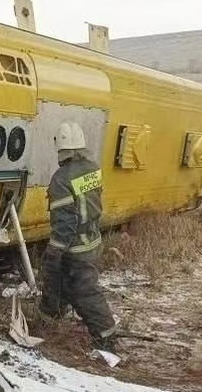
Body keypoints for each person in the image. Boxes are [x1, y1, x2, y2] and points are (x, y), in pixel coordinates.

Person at [39, 121, 117, 351]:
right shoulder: (92, 168)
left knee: (84, 290)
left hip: (75, 246)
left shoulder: (61, 178)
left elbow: (65, 220)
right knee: (60, 283)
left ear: (61, 150)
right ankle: (49, 323)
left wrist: (55, 249)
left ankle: (105, 336)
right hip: (91, 238)